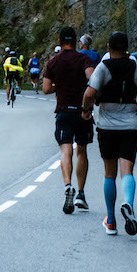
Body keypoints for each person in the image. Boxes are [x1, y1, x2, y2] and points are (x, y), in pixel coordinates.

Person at [83, 30, 137, 235]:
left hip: (107, 126)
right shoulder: (136, 68)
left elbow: (89, 93)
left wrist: (86, 110)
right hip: (131, 126)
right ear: (126, 47)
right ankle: (129, 204)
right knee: (127, 171)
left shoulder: (103, 68)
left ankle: (111, 221)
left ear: (108, 47)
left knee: (109, 173)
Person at [43, 27, 93, 214]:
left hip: (63, 112)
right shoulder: (83, 59)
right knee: (81, 151)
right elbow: (92, 79)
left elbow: (46, 89)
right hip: (82, 112)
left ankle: (67, 185)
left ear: (59, 40)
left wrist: (59, 85)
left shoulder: (53, 61)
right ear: (75, 41)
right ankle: (80, 193)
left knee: (66, 150)